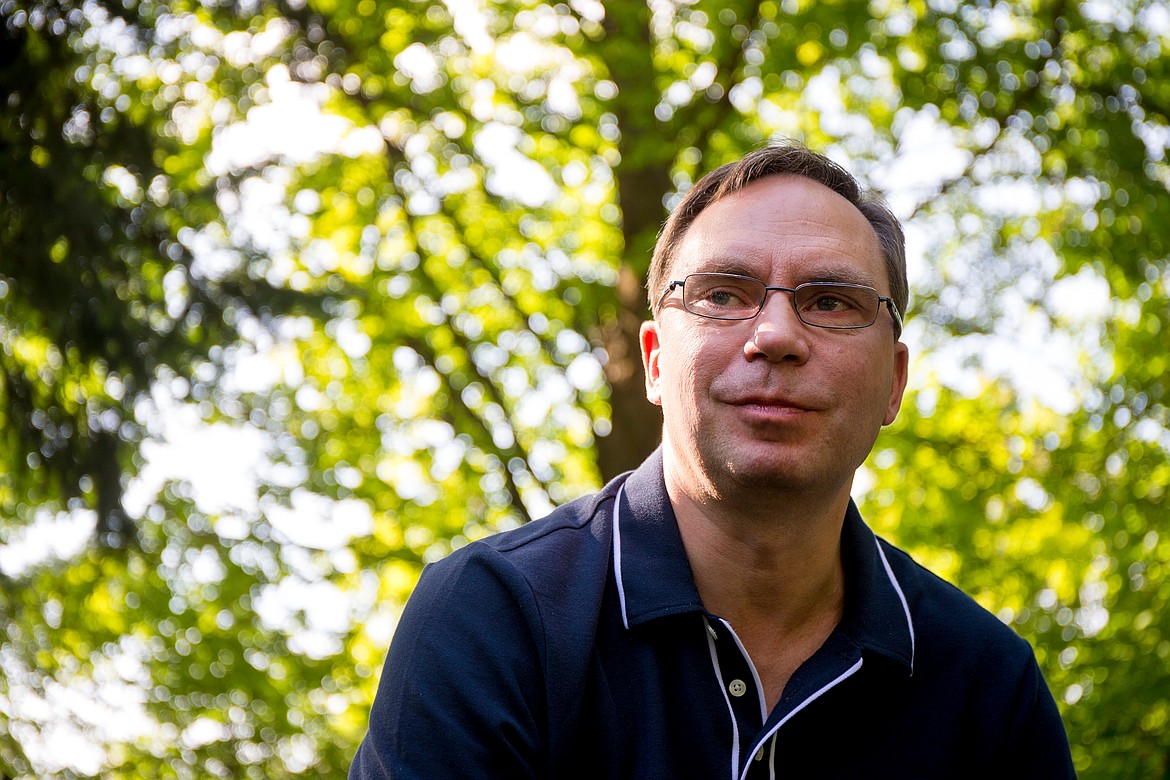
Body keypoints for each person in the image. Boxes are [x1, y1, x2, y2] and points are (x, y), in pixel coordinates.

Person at [349, 142, 1075, 779]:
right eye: (724, 294)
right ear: (657, 362)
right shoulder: (491, 620)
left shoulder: (988, 687)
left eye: (830, 301)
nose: (776, 335)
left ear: (893, 382)